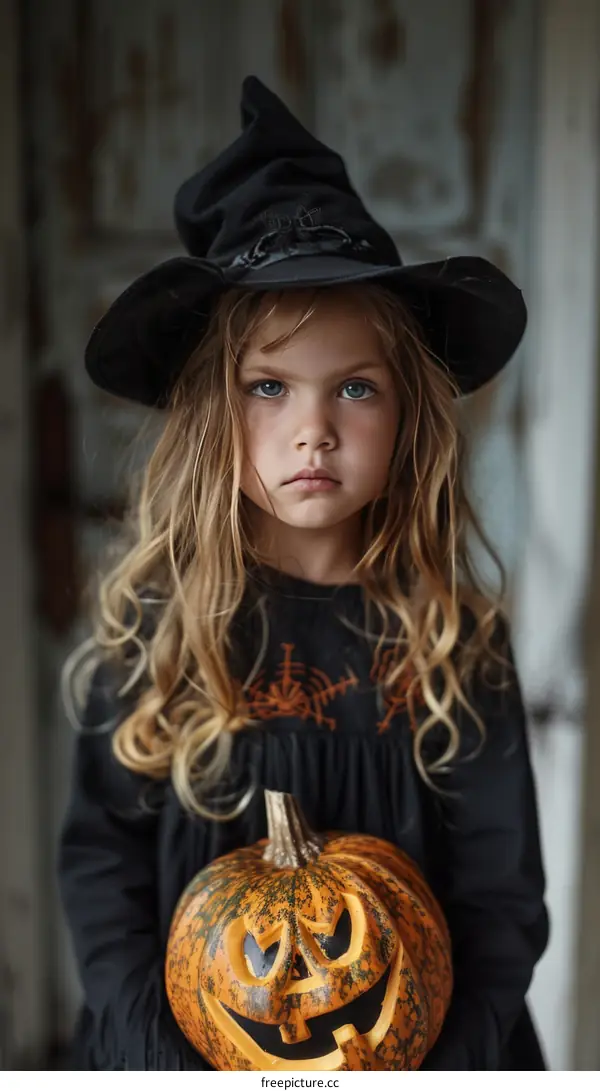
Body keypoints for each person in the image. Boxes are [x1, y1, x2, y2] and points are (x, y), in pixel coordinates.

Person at [57, 75, 549, 1071]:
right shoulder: (157, 631)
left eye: (355, 387)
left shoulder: (452, 639)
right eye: (268, 387)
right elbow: (102, 874)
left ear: (409, 413)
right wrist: (159, 1056)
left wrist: (441, 1061)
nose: (312, 429)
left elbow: (500, 900)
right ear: (211, 415)